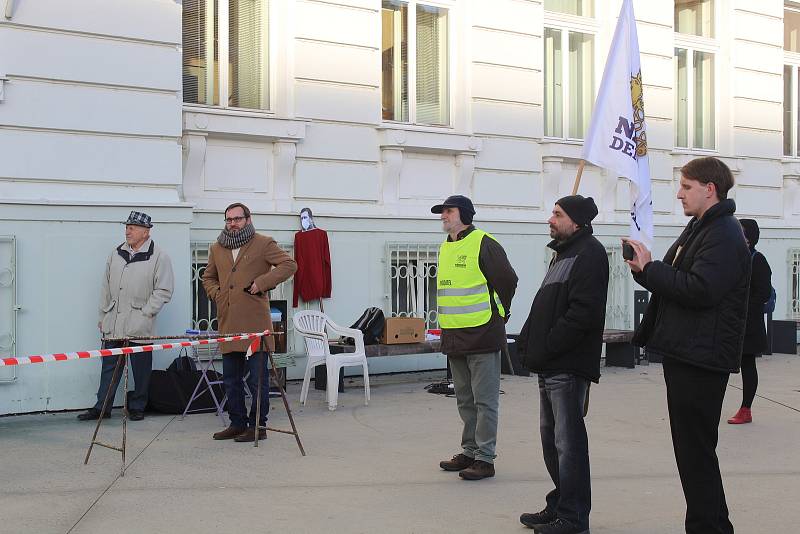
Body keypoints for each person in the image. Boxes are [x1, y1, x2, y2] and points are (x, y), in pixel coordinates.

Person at [624, 156, 750, 534]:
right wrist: (645, 270)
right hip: (689, 352)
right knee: (693, 454)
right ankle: (709, 525)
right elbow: (679, 280)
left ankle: (709, 528)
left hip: (702, 359)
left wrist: (652, 269)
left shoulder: (724, 233)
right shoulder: (702, 227)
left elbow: (701, 290)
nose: (679, 194)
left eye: (686, 186)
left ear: (709, 189)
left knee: (696, 455)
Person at [517, 196, 609, 534]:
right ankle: (560, 504)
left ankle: (573, 518)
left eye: (558, 214)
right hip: (549, 364)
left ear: (577, 221)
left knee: (568, 443)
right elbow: (545, 307)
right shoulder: (563, 254)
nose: (550, 219)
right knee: (551, 440)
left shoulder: (591, 254)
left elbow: (582, 314)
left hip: (567, 367)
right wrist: (527, 342)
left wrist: (549, 347)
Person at [432, 195, 518, 481]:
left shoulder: (484, 242)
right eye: (442, 212)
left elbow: (508, 280)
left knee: (485, 400)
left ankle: (485, 458)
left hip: (482, 332)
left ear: (464, 214)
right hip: (455, 334)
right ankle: (469, 451)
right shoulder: (446, 247)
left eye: (448, 211)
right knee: (464, 399)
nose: (443, 215)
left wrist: (501, 313)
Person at [202, 202, 297, 442]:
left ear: (248, 219)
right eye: (229, 219)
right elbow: (208, 277)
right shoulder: (217, 247)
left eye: (237, 219)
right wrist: (217, 294)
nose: (232, 223)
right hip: (228, 322)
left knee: (257, 379)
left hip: (255, 324)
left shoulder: (263, 243)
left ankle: (258, 426)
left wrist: (262, 283)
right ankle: (236, 423)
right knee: (231, 378)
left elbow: (289, 265)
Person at [78, 211, 174, 422]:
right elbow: (105, 286)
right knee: (109, 368)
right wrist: (103, 314)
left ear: (146, 232)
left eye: (133, 227)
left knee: (141, 370)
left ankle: (138, 406)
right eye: (127, 226)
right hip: (114, 321)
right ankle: (101, 407)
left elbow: (164, 290)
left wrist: (146, 313)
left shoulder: (159, 256)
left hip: (140, 323)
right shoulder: (116, 253)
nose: (128, 230)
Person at [728, 219, 772, 424]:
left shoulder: (758, 260)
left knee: (747, 364)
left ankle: (746, 409)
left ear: (749, 237)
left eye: (740, 232)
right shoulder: (733, 257)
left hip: (749, 324)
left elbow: (762, 293)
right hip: (731, 321)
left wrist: (742, 307)